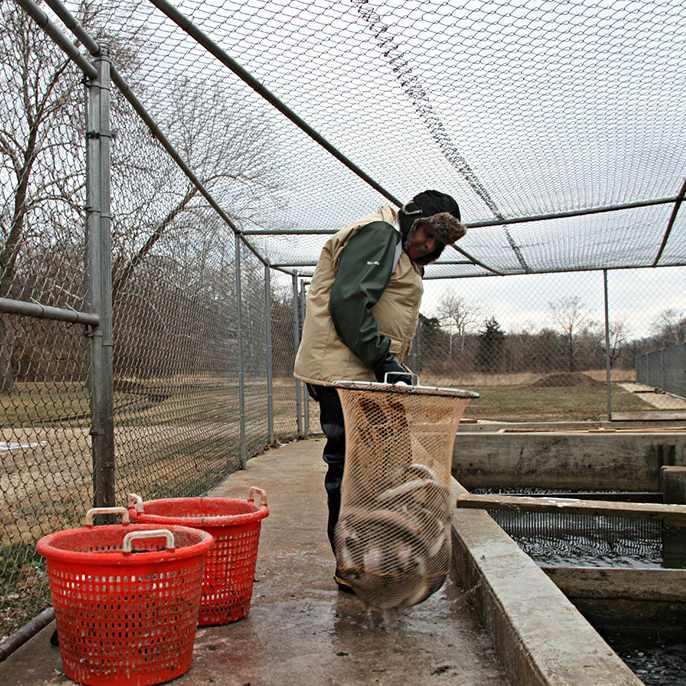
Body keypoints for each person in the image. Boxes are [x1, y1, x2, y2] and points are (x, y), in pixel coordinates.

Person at [293, 190, 466, 592]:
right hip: (344, 374)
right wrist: (383, 358)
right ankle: (352, 567)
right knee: (350, 466)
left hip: (361, 373)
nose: (428, 245)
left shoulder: (399, 248)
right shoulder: (380, 235)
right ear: (412, 217)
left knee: (375, 466)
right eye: (427, 234)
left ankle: (373, 557)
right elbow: (349, 302)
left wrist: (389, 365)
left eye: (437, 244)